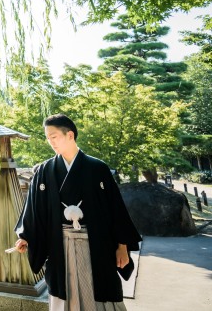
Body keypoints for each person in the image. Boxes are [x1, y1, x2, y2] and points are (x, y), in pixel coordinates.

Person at [14, 114, 141, 310]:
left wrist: (122, 246)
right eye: (48, 137)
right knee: (64, 292)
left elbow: (115, 210)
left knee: (102, 290)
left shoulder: (98, 168)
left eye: (54, 136)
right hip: (59, 245)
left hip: (97, 243)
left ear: (70, 135)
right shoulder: (44, 171)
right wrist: (26, 236)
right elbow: (33, 210)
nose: (50, 142)